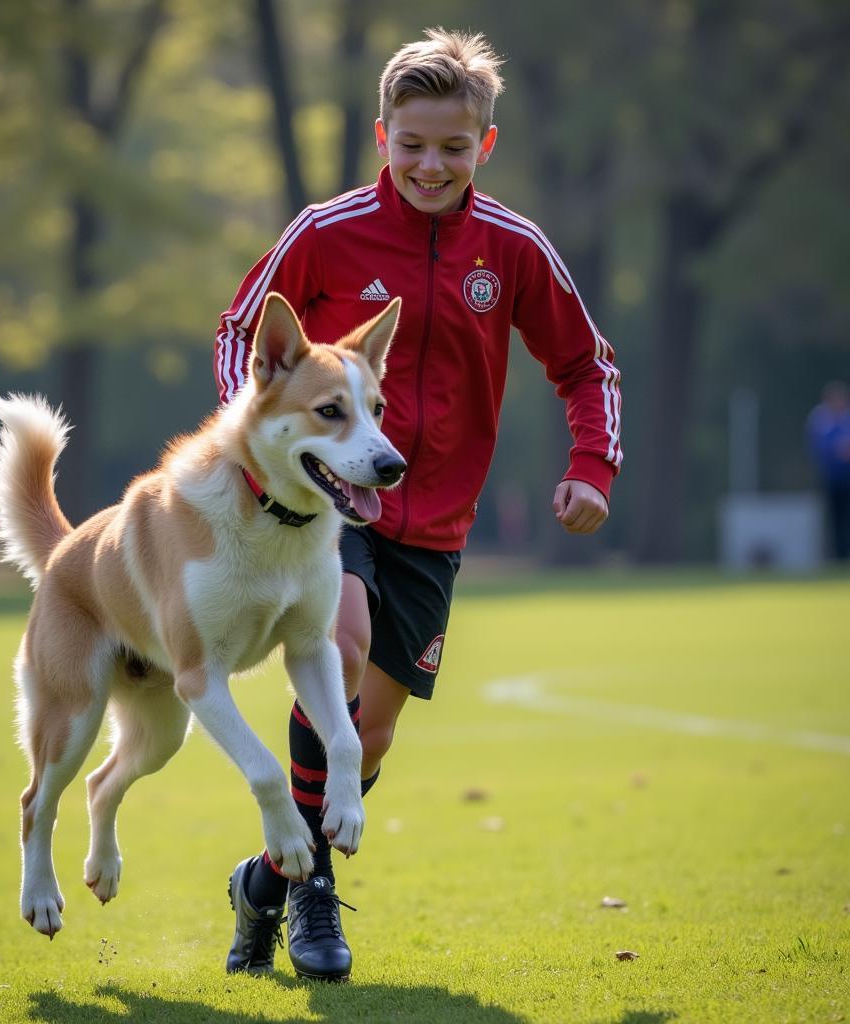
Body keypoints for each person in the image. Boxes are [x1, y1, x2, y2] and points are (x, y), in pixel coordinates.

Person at [213, 27, 622, 981]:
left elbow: (584, 362)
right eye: (411, 145)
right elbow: (242, 334)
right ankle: (314, 902)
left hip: (437, 524)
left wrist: (592, 466)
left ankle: (266, 882)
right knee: (339, 646)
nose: (429, 165)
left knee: (378, 727)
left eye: (451, 146)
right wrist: (255, 441)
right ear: (381, 136)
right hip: (324, 509)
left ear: (484, 145)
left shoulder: (513, 248)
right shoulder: (325, 232)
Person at [806, 382, 850, 560]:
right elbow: (819, 447)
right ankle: (840, 555)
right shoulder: (820, 419)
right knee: (836, 518)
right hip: (832, 478)